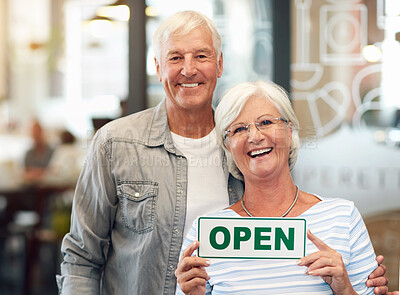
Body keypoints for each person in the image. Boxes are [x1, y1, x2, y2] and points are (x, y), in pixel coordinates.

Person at [57, 11, 389, 294]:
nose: (188, 69)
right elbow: (81, 258)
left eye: (201, 56)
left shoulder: (245, 145)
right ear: (158, 68)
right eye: (175, 58)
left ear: (219, 64)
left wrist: (353, 282)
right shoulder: (116, 143)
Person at [175, 80, 398, 295]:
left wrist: (345, 289)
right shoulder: (206, 234)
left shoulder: (342, 218)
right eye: (239, 129)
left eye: (266, 123)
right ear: (227, 146)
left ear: (289, 131)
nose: (254, 136)